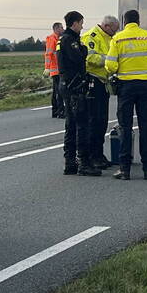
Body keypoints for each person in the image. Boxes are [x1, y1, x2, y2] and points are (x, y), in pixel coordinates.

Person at [105, 9, 147, 180]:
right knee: (145, 127)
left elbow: (110, 65)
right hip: (146, 85)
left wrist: (120, 69)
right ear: (138, 21)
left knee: (125, 127)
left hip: (125, 87)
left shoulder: (118, 38)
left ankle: (125, 170)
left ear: (124, 22)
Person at [56, 11, 101, 176]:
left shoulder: (62, 39)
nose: (82, 26)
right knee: (81, 125)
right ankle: (84, 163)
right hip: (74, 87)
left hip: (66, 85)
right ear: (74, 23)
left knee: (71, 125)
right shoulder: (70, 40)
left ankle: (70, 162)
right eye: (81, 23)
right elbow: (79, 57)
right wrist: (83, 49)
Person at [81, 15, 120, 168]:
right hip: (93, 81)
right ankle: (93, 156)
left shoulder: (109, 38)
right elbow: (90, 58)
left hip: (103, 82)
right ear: (107, 26)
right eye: (114, 30)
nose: (115, 33)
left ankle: (99, 154)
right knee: (94, 121)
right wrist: (109, 59)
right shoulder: (92, 36)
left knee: (102, 121)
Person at [45, 22, 63, 118]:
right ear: (56, 29)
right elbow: (48, 54)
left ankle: (56, 111)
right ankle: (60, 111)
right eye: (61, 28)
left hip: (57, 69)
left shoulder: (57, 39)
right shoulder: (52, 39)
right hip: (55, 69)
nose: (63, 29)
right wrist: (47, 67)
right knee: (59, 92)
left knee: (56, 91)